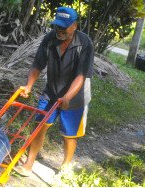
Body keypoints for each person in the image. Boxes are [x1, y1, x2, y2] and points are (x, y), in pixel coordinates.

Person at [12, 6, 94, 177]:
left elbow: (81, 76)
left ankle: (65, 166)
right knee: (39, 126)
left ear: (74, 26)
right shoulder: (50, 39)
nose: (59, 30)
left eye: (63, 27)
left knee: (69, 135)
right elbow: (37, 64)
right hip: (51, 92)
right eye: (57, 26)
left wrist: (68, 97)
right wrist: (28, 85)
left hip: (75, 96)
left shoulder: (84, 43)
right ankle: (28, 165)